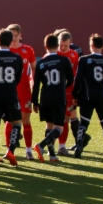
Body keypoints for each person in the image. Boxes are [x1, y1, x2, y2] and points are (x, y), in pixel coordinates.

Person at [31, 34, 74, 163]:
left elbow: (36, 84)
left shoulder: (41, 63)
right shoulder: (64, 60)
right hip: (59, 97)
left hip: (45, 97)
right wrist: (62, 86)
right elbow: (71, 79)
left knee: (49, 125)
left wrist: (35, 102)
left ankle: (52, 155)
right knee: (59, 128)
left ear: (45, 46)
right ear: (58, 46)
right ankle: (41, 145)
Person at [72, 34, 103, 157]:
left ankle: (79, 145)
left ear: (91, 45)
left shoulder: (84, 60)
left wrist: (74, 95)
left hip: (86, 96)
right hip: (101, 97)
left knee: (83, 123)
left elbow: (78, 79)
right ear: (102, 46)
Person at [0, 29, 24, 166]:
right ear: (11, 41)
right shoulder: (17, 58)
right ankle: (11, 150)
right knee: (16, 123)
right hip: (10, 94)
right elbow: (18, 78)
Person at [6, 24, 37, 160]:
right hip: (9, 91)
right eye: (11, 35)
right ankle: (9, 150)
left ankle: (28, 150)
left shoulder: (28, 50)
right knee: (9, 120)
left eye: (16, 35)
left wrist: (32, 81)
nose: (13, 38)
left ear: (20, 35)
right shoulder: (5, 51)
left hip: (24, 91)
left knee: (25, 120)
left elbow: (34, 68)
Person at [56, 30, 80, 156]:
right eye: (61, 45)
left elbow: (76, 74)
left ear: (70, 43)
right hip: (55, 91)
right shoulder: (54, 54)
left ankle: (62, 146)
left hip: (69, 91)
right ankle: (49, 145)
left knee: (65, 118)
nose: (63, 48)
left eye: (66, 45)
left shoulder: (74, 55)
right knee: (52, 120)